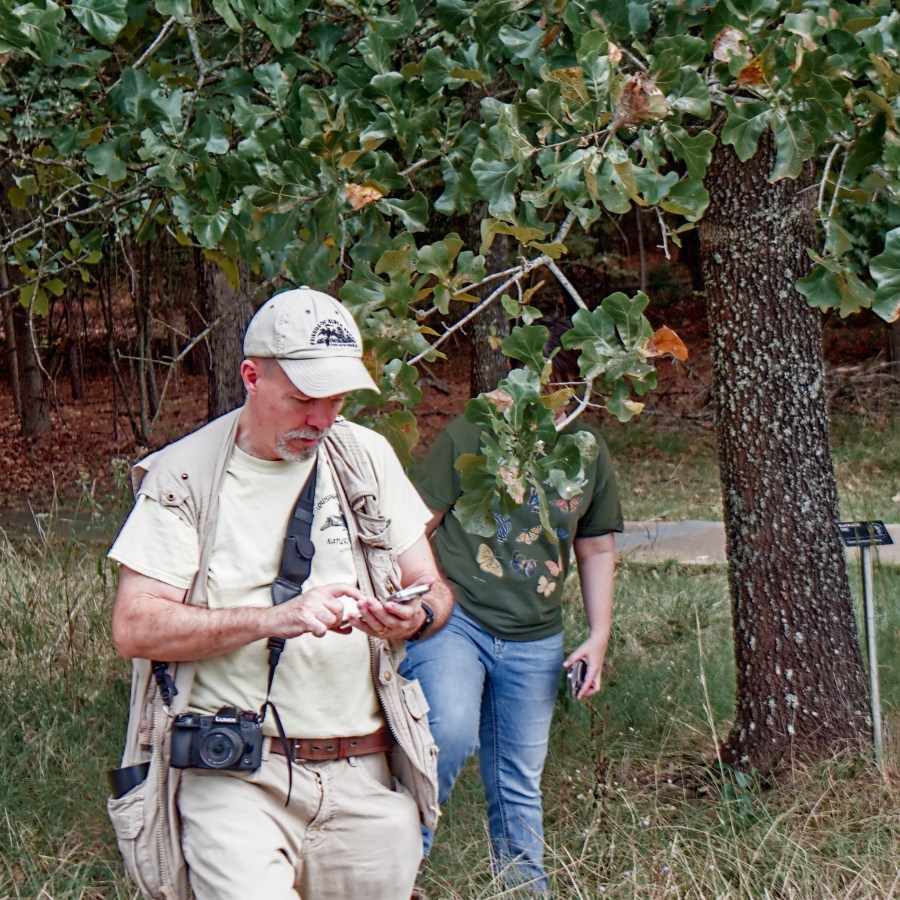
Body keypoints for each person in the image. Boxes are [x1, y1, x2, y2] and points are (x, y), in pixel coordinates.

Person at [107, 287, 453, 900]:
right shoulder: (185, 475)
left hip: (365, 778)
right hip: (239, 776)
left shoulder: (365, 457)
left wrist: (411, 617)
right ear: (251, 377)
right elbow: (135, 627)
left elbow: (432, 593)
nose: (321, 419)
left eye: (337, 400)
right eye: (303, 400)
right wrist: (275, 618)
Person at [401, 324, 623, 893]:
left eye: (557, 388)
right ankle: (392, 873)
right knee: (445, 735)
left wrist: (599, 635)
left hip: (537, 637)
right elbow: (413, 525)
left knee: (519, 782)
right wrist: (417, 599)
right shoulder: (475, 430)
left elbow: (595, 545)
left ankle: (524, 888)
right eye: (525, 384)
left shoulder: (587, 451)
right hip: (459, 617)